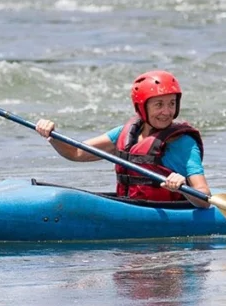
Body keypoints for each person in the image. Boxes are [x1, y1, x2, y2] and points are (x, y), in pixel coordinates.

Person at [35, 70, 211, 208]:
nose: (167, 111)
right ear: (142, 107)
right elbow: (76, 152)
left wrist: (182, 186)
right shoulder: (125, 134)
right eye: (159, 105)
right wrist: (52, 135)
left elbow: (204, 198)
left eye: (171, 103)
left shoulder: (184, 143)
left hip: (168, 213)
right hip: (129, 206)